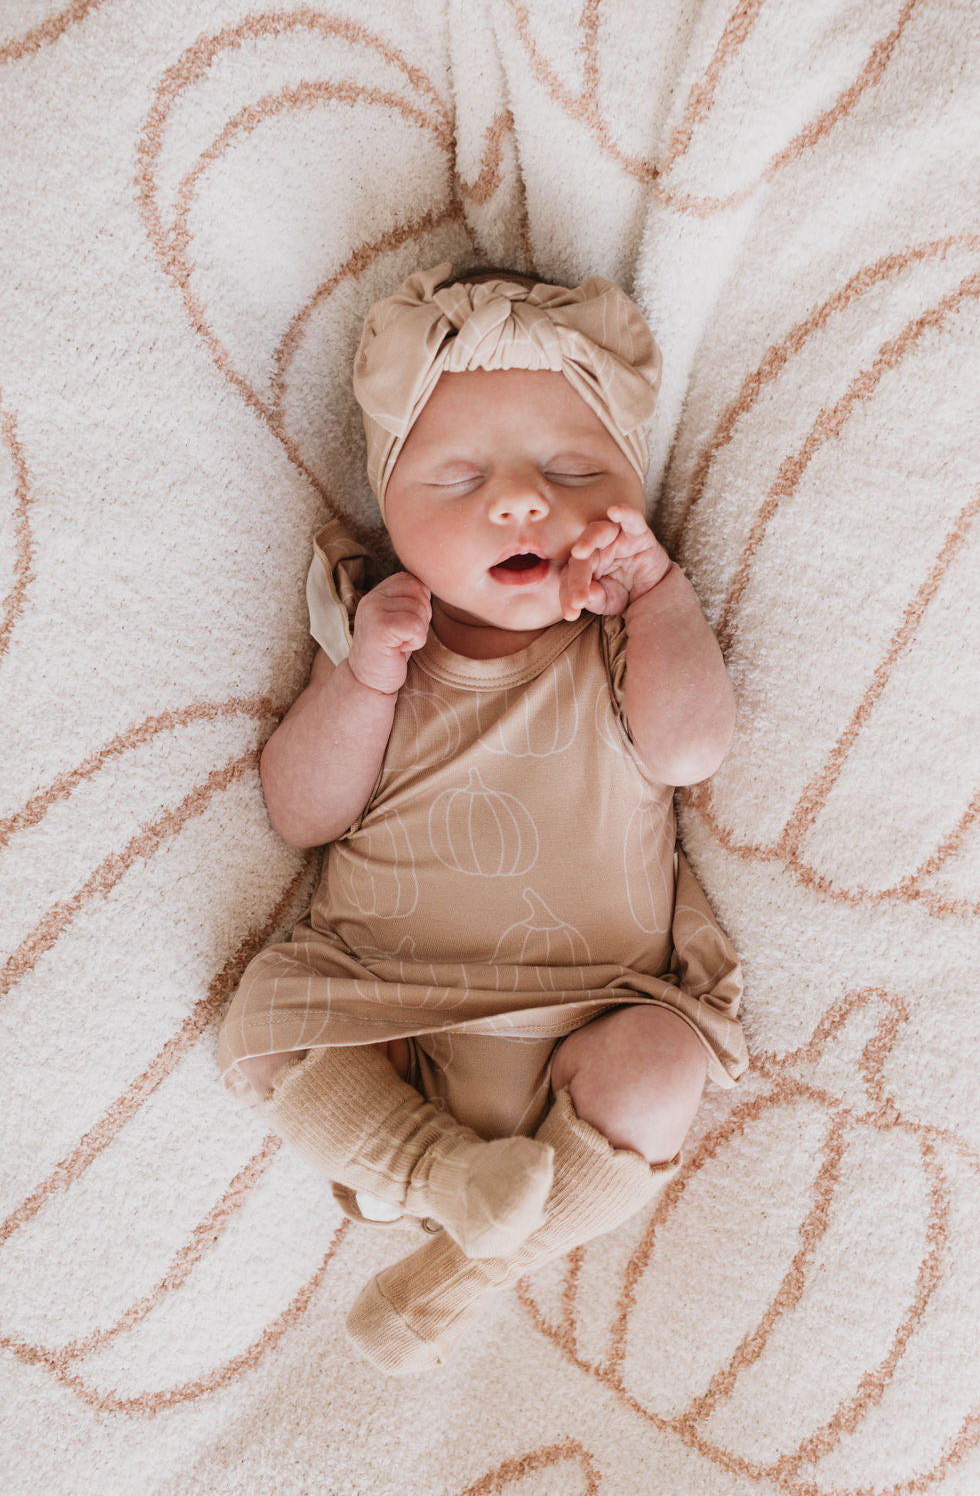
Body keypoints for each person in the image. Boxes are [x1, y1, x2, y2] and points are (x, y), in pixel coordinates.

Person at [218, 261, 748, 1373]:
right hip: (386, 1016)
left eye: (570, 469)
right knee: (263, 1018)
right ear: (389, 503)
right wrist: (359, 678)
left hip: (592, 1015)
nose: (520, 501)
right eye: (458, 477)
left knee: (666, 1066)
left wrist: (661, 596)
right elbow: (299, 811)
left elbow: (690, 747)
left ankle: (466, 1269)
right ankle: (435, 1175)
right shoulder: (379, 640)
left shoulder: (620, 638)